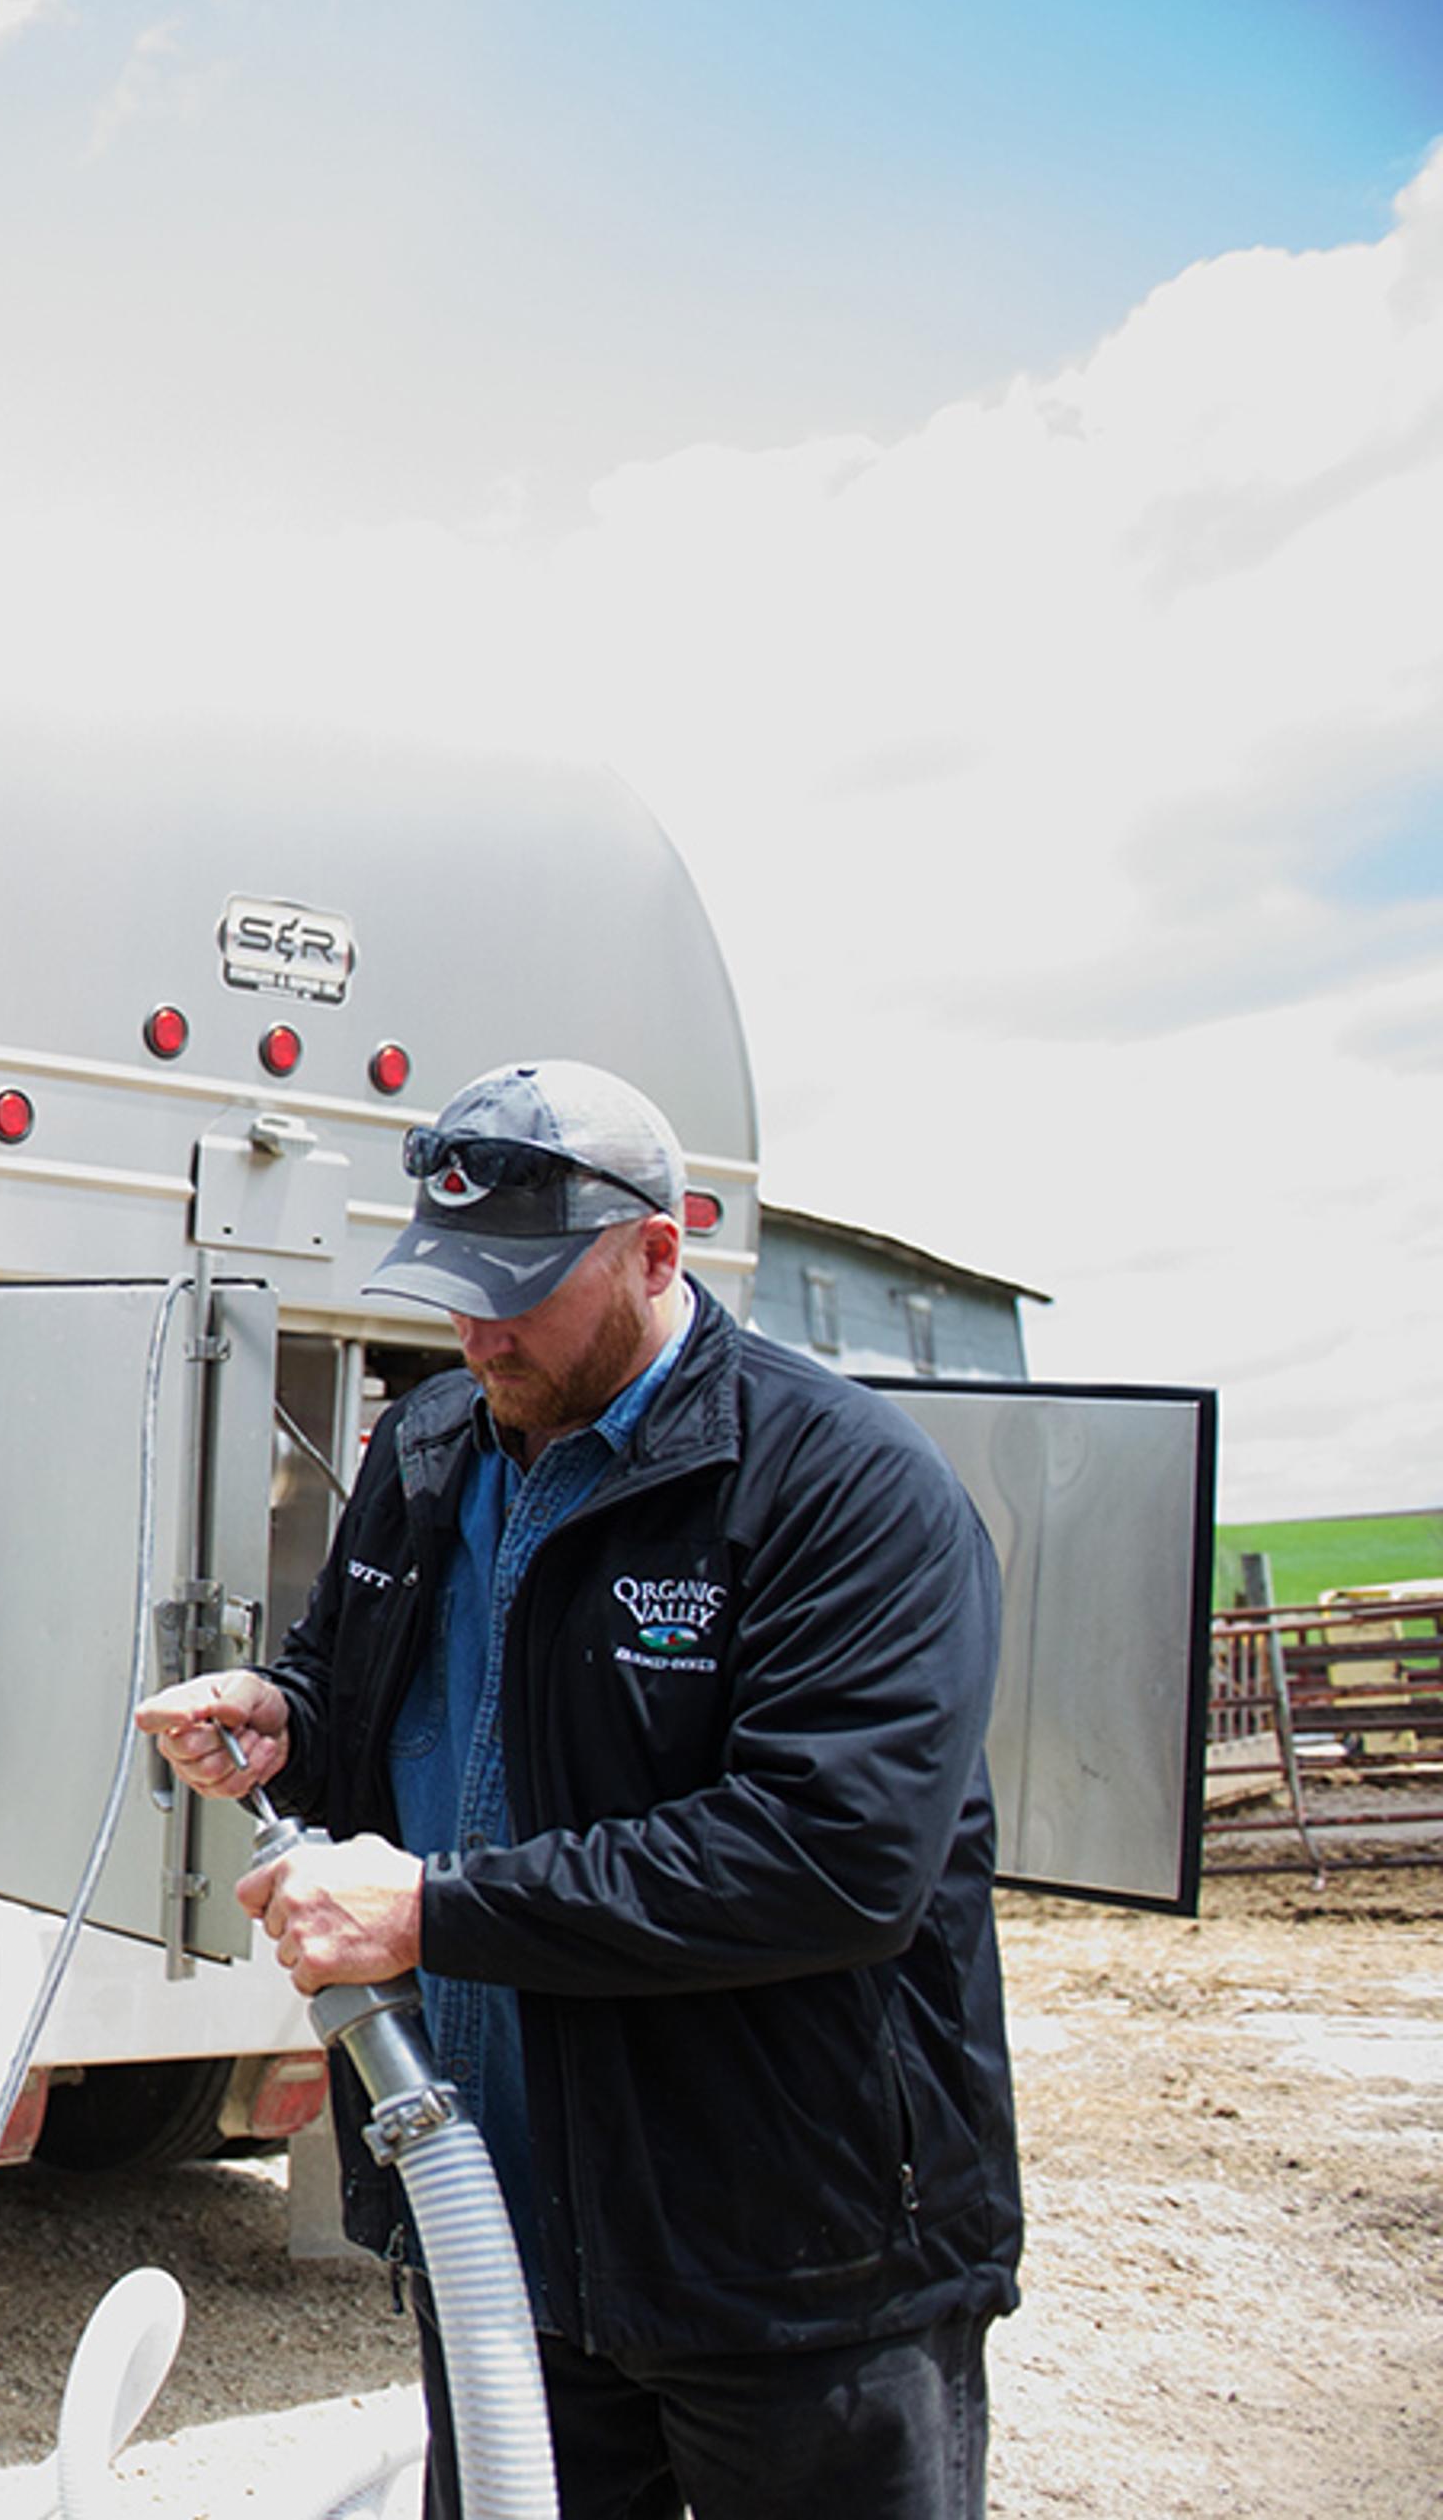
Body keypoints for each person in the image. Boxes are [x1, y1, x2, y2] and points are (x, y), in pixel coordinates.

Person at [138, 1058, 1018, 2520]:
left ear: (657, 1251)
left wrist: (434, 1908)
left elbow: (829, 1853)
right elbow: (365, 1685)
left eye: (520, 1287)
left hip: (794, 2264)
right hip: (506, 2229)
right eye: (453, 1282)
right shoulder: (428, 1448)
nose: (477, 1330)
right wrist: (285, 1714)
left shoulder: (840, 1488)